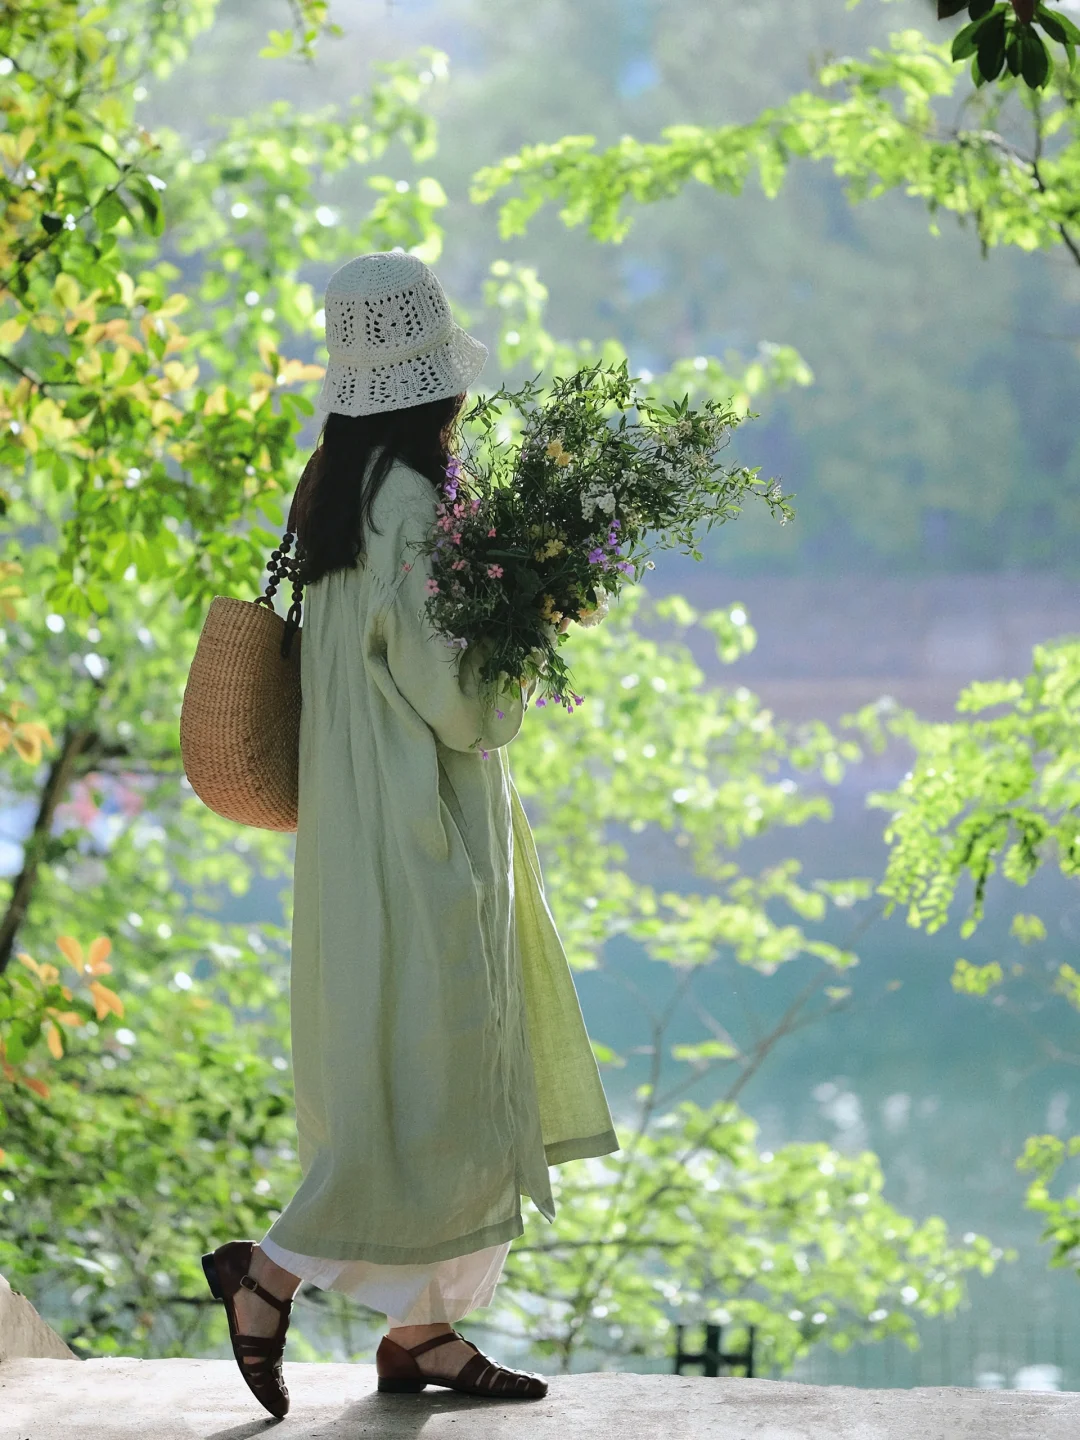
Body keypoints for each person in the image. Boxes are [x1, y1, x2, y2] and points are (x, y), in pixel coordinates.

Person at [201, 252, 620, 1417]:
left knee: (406, 1077)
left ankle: (424, 1333)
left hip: (355, 830)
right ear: (432, 377)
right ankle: (267, 1275)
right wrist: (526, 638)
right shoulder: (415, 501)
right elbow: (457, 703)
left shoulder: (331, 483)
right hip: (419, 832)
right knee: (432, 1086)